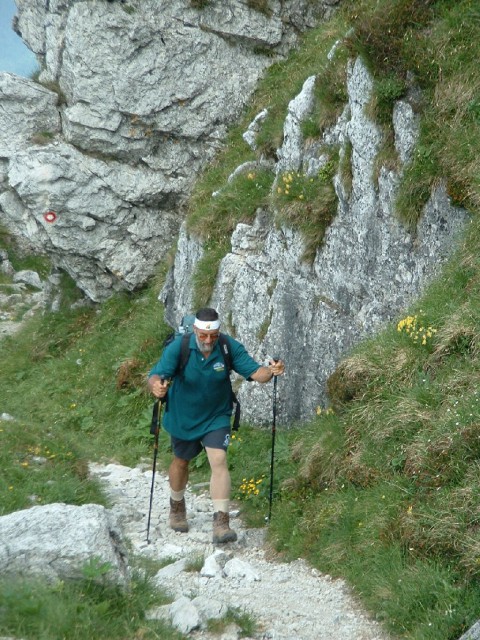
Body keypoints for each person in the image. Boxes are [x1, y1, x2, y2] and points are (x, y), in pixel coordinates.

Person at [148, 307, 285, 543]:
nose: (208, 340)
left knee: (219, 460)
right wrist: (156, 387)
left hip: (216, 415)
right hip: (184, 415)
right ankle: (177, 505)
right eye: (203, 335)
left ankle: (222, 522)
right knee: (181, 462)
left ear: (218, 332)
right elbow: (157, 375)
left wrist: (272, 371)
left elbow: (255, 373)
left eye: (212, 335)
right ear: (195, 330)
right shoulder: (179, 347)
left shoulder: (227, 346)